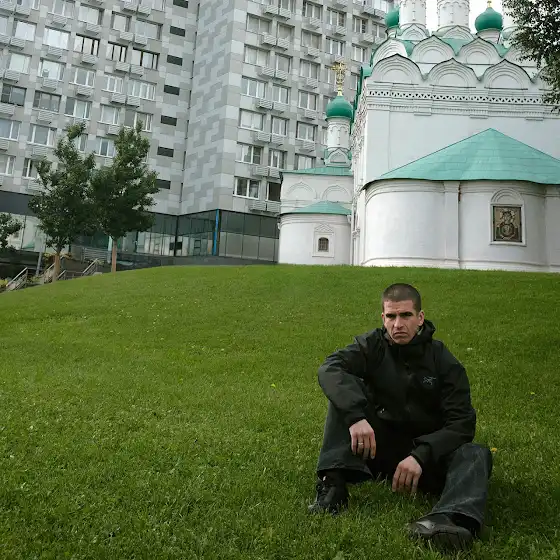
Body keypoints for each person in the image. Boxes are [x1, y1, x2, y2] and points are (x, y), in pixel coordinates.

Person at [308, 283, 492, 552]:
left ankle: (450, 520)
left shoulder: (443, 361)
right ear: (383, 318)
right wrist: (356, 417)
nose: (398, 324)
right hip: (377, 450)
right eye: (391, 316)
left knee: (476, 454)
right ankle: (333, 488)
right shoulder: (372, 345)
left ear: (420, 317)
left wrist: (421, 455)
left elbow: (462, 423)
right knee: (345, 393)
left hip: (425, 460)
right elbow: (330, 368)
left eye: (406, 315)